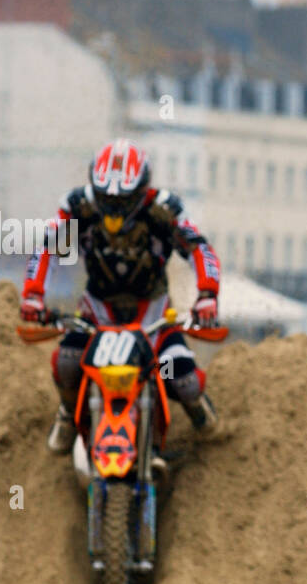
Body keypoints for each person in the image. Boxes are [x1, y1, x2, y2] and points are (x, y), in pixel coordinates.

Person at [19, 138, 221, 453]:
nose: (113, 209)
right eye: (106, 199)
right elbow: (45, 248)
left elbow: (200, 248)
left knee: (184, 380)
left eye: (123, 201)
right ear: (94, 189)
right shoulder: (77, 206)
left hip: (153, 318)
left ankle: (198, 416)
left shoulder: (165, 209)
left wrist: (208, 294)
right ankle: (69, 413)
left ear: (141, 192)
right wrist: (33, 296)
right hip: (96, 315)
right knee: (67, 363)